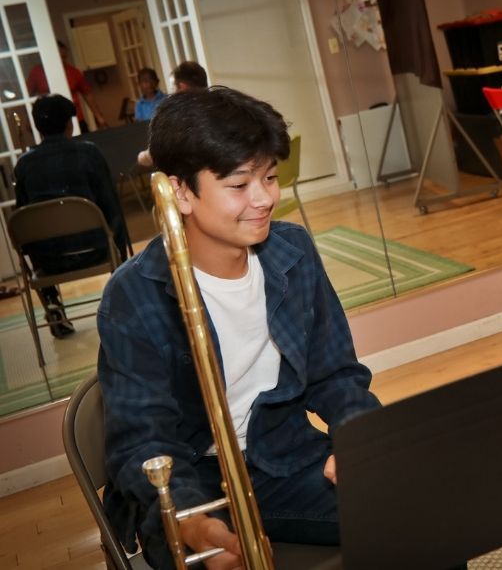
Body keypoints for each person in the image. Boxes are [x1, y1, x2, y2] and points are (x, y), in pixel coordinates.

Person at [97, 86, 381, 568]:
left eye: (270, 177)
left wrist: (360, 438)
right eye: (238, 184)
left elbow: (335, 374)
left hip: (286, 456)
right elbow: (144, 440)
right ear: (181, 192)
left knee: (424, 511)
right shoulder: (134, 293)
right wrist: (193, 520)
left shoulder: (292, 253)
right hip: (195, 478)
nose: (264, 198)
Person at [13, 94, 128, 338]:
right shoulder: (88, 153)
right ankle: (123, 295)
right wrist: (118, 253)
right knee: (111, 213)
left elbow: (23, 228)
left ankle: (52, 302)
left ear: (37, 127)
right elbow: (111, 207)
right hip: (95, 250)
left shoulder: (23, 165)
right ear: (69, 124)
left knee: (33, 231)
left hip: (48, 262)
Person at [137, 61, 208, 167]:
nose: (171, 95)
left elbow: (154, 154)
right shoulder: (224, 106)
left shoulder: (176, 118)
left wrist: (143, 156)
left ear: (181, 86)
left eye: (172, 89)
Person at [26, 40, 108, 133]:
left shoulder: (73, 72)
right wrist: (30, 119)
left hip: (76, 119)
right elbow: (27, 98)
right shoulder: (36, 72)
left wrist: (99, 116)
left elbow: (87, 94)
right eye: (59, 57)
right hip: (50, 122)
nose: (62, 60)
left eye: (64, 57)